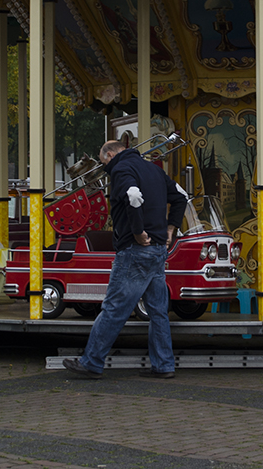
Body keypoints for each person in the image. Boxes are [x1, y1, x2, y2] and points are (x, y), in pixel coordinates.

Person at [63, 139, 188, 379]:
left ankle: (91, 362)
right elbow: (181, 196)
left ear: (110, 155)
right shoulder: (153, 169)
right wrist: (171, 228)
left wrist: (138, 232)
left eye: (104, 163)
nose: (106, 168)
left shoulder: (121, 168)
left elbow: (133, 195)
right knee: (158, 312)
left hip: (135, 250)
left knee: (114, 308)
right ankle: (163, 365)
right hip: (158, 250)